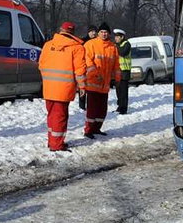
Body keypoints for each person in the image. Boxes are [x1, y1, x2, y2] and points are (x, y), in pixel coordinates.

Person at [38, 21, 87, 152]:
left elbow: (41, 64)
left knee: (52, 115)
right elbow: (80, 70)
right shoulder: (77, 48)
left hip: (49, 88)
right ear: (73, 32)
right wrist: (82, 86)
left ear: (61, 30)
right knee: (60, 117)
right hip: (64, 88)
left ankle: (51, 141)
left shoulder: (48, 45)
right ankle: (56, 145)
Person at [83, 22, 121, 138]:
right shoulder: (90, 44)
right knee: (92, 109)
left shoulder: (112, 47)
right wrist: (95, 74)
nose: (104, 34)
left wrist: (117, 78)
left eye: (106, 32)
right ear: (98, 33)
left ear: (108, 34)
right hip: (93, 83)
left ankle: (97, 128)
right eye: (102, 32)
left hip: (105, 84)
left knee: (102, 109)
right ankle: (88, 130)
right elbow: (88, 61)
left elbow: (116, 64)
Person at [78, 25, 98, 111]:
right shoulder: (82, 41)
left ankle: (91, 103)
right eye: (92, 31)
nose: (93, 33)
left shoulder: (98, 41)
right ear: (88, 32)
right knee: (82, 86)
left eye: (95, 31)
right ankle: (82, 105)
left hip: (95, 66)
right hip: (84, 66)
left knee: (92, 86)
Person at [114, 28, 132, 114]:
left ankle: (123, 108)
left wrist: (116, 46)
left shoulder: (127, 44)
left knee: (124, 91)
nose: (116, 39)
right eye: (115, 37)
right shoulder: (117, 45)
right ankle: (119, 106)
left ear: (122, 37)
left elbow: (123, 52)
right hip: (118, 71)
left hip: (125, 71)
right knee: (118, 90)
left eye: (117, 37)